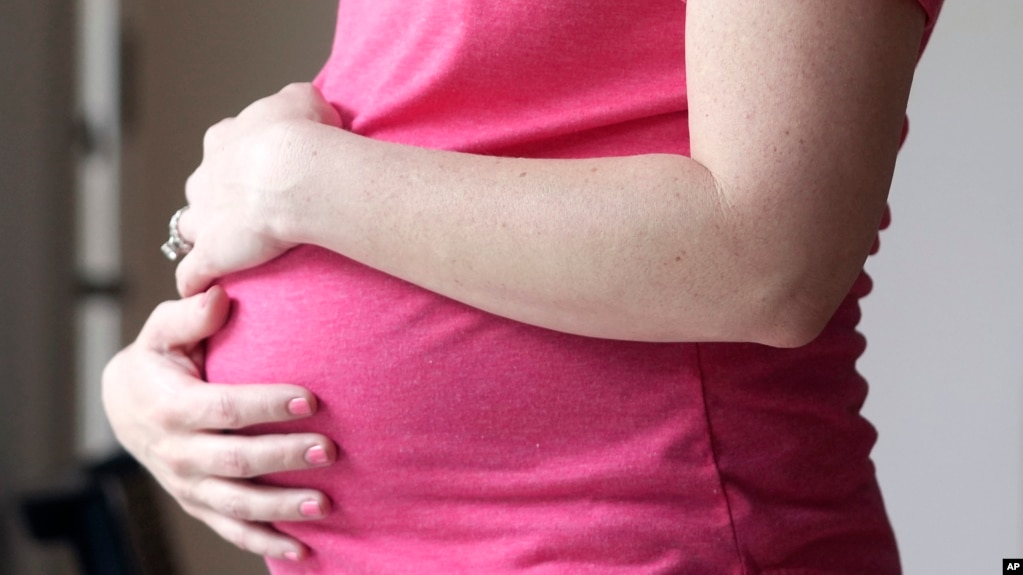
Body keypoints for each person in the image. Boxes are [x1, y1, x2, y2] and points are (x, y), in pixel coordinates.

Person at [102, 0, 944, 573]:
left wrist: (293, 178)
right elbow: (433, 124)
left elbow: (768, 254)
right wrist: (177, 349)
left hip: (638, 534)